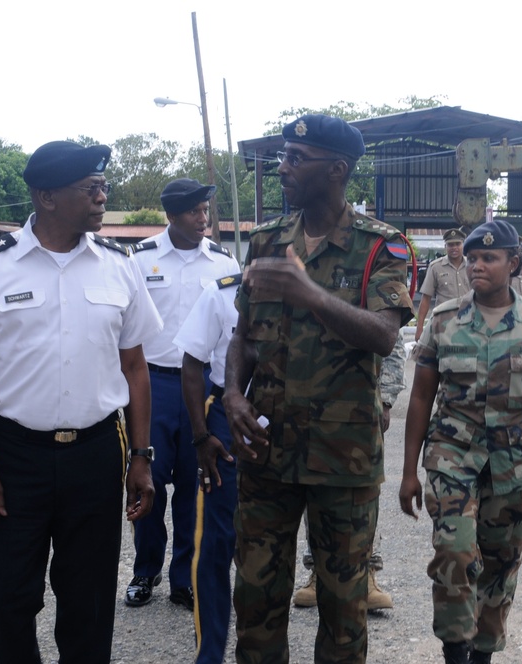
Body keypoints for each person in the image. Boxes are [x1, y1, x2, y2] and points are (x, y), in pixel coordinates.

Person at [0, 140, 163, 664]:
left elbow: (135, 367)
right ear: (47, 197)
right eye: (92, 188)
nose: (104, 197)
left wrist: (141, 458)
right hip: (16, 456)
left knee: (89, 602)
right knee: (1, 597)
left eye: (103, 186)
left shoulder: (118, 265)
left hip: (96, 452)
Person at [223, 113, 414, 664]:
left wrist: (311, 294)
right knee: (255, 600)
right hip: (266, 452)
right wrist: (234, 394)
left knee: (343, 607)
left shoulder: (382, 247)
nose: (283, 168)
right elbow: (244, 337)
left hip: (343, 457)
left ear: (336, 170)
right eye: (282, 157)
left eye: (294, 159)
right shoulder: (265, 241)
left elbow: (382, 334)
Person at [399, 219, 522, 664]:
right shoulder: (444, 320)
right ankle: (455, 651)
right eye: (472, 258)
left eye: (488, 258)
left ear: (513, 263)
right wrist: (408, 472)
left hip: (515, 463)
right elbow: (420, 396)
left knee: (500, 564)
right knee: (454, 554)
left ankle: (483, 655)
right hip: (452, 456)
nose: (476, 266)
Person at [125, 178, 240, 611]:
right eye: (194, 212)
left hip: (201, 390)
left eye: (205, 210)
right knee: (148, 480)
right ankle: (145, 570)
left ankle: (184, 576)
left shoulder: (221, 263)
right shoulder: (139, 259)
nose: (203, 218)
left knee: (197, 485)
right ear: (172, 215)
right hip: (152, 386)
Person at [292, 331, 407, 610]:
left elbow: (392, 344)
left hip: (361, 407)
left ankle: (366, 573)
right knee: (313, 486)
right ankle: (318, 571)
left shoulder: (367, 287)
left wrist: (386, 400)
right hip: (313, 406)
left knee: (364, 494)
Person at [174, 271, 242, 664]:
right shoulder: (222, 293)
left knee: (270, 543)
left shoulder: (314, 288)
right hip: (226, 420)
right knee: (216, 543)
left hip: (289, 414)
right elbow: (191, 361)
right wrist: (201, 437)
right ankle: (210, 654)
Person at [415, 227, 469, 341]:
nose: (454, 248)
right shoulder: (435, 267)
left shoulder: (472, 266)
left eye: (457, 244)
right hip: (444, 325)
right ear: (445, 247)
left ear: (463, 245)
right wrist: (419, 328)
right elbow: (426, 298)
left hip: (469, 323)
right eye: (450, 245)